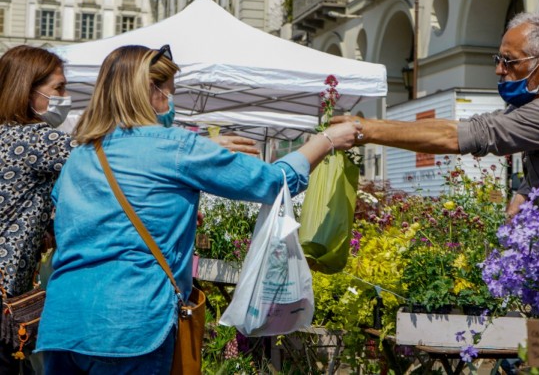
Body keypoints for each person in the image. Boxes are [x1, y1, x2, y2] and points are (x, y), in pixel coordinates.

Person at [35, 44, 361, 374]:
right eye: (171, 92)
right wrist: (328, 140)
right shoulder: (175, 145)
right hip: (130, 322)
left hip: (63, 322)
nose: (172, 103)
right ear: (151, 90)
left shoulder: (80, 156)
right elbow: (274, 182)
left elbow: (80, 224)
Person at [333, 12, 539, 218]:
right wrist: (524, 195)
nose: (499, 70)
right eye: (498, 59)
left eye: (509, 61)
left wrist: (364, 129)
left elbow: (460, 135)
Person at [0, 46, 76, 374]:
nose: (66, 96)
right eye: (58, 88)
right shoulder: (37, 139)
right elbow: (106, 159)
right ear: (28, 90)